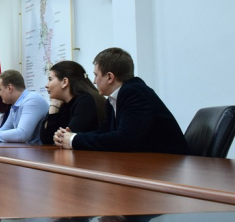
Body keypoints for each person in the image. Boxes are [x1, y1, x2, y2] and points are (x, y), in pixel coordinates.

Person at [54, 48, 190, 154]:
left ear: (109, 77)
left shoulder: (134, 92)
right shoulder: (114, 97)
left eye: (96, 75)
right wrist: (72, 136)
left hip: (172, 166)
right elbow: (105, 130)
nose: (94, 81)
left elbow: (124, 139)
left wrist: (74, 140)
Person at [40, 61, 106, 145]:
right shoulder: (62, 103)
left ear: (65, 82)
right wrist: (54, 106)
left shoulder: (86, 101)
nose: (46, 85)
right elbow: (46, 139)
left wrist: (60, 136)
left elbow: (66, 138)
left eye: (50, 79)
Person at [0, 70, 48, 142]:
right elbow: (5, 129)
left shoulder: (32, 100)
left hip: (41, 149)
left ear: (9, 88)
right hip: (28, 148)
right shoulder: (15, 104)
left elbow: (21, 134)